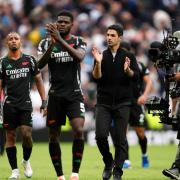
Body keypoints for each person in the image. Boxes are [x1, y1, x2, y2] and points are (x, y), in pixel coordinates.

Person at [37, 10, 87, 180]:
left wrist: (60, 40)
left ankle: (75, 173)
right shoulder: (45, 43)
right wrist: (52, 44)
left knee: (79, 129)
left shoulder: (79, 41)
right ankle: (60, 175)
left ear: (72, 24)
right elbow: (39, 64)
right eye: (59, 22)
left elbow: (80, 57)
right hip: (55, 95)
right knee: (53, 136)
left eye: (66, 22)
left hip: (74, 94)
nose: (62, 24)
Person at [92, 24, 139, 180]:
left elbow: (135, 77)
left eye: (112, 35)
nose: (109, 38)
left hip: (123, 103)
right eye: (107, 35)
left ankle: (117, 171)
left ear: (120, 37)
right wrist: (98, 63)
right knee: (100, 136)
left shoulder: (129, 56)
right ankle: (108, 162)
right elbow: (96, 78)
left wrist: (128, 71)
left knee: (121, 139)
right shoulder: (101, 55)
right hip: (103, 102)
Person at [0, 32, 47, 179]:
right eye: (10, 39)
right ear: (7, 43)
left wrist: (44, 101)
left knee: (27, 134)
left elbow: (39, 80)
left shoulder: (30, 60)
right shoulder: (2, 63)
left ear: (21, 42)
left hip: (25, 104)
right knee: (11, 137)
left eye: (16, 38)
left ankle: (26, 161)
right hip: (9, 105)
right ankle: (14, 171)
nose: (13, 41)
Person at [117, 42, 152, 169]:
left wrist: (144, 95)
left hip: (136, 103)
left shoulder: (139, 65)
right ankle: (126, 160)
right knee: (122, 133)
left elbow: (149, 82)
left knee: (140, 133)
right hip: (121, 103)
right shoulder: (116, 66)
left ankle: (144, 155)